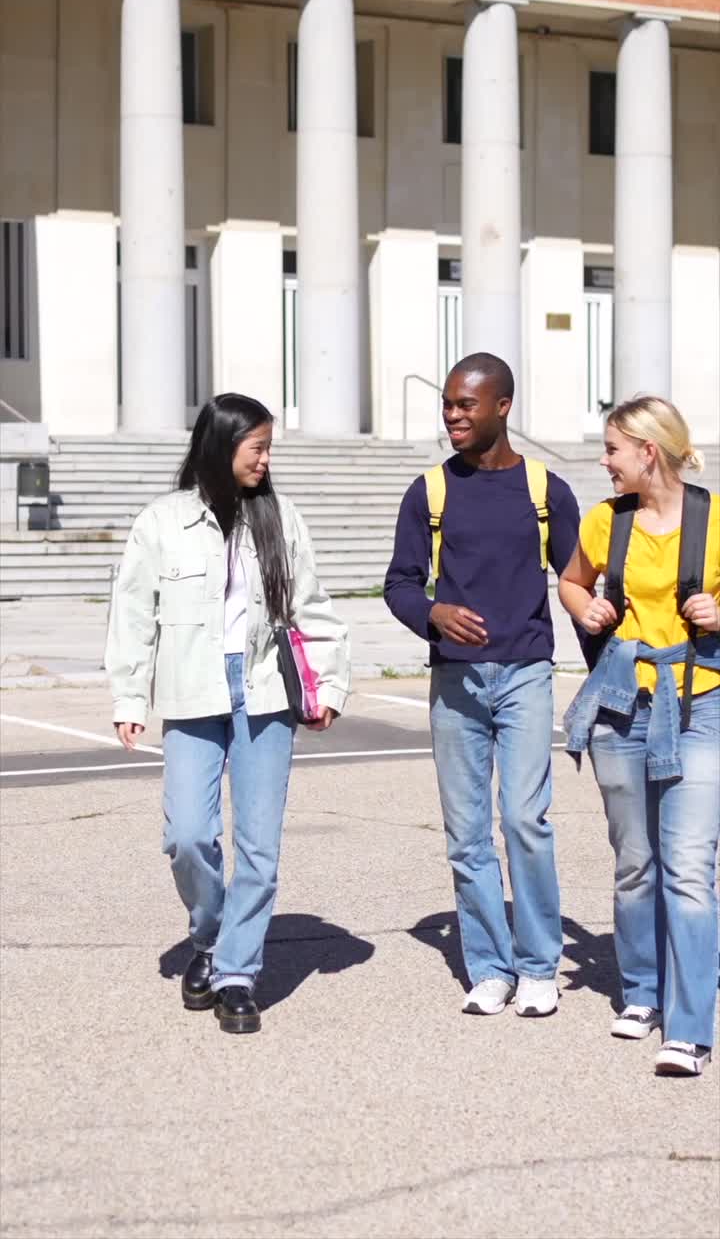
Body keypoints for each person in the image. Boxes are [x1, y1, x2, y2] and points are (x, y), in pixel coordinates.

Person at [106, 394, 350, 1035]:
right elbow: (133, 615)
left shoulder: (280, 517)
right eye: (257, 448)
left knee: (259, 848)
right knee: (186, 834)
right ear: (221, 446)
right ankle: (210, 939)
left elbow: (312, 606)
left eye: (269, 449)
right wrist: (129, 697)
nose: (267, 461)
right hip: (191, 690)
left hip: (265, 691)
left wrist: (327, 685)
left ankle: (237, 970)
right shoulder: (161, 522)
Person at [385, 352, 580, 1017]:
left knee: (525, 821)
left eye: (466, 405)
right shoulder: (429, 492)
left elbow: (578, 583)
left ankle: (537, 966)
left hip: (526, 672)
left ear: (503, 407)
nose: (452, 416)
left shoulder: (544, 490)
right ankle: (490, 967)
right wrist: (431, 614)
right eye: (447, 404)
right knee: (467, 833)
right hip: (456, 684)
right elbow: (400, 584)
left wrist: (607, 671)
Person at [559, 396, 720, 1077]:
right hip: (623, 706)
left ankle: (688, 1028)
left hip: (700, 707)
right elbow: (569, 580)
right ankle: (642, 994)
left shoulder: (714, 519)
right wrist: (586, 604)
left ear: (647, 451)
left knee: (689, 867)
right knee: (634, 864)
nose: (604, 461)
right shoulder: (605, 521)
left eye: (612, 449)